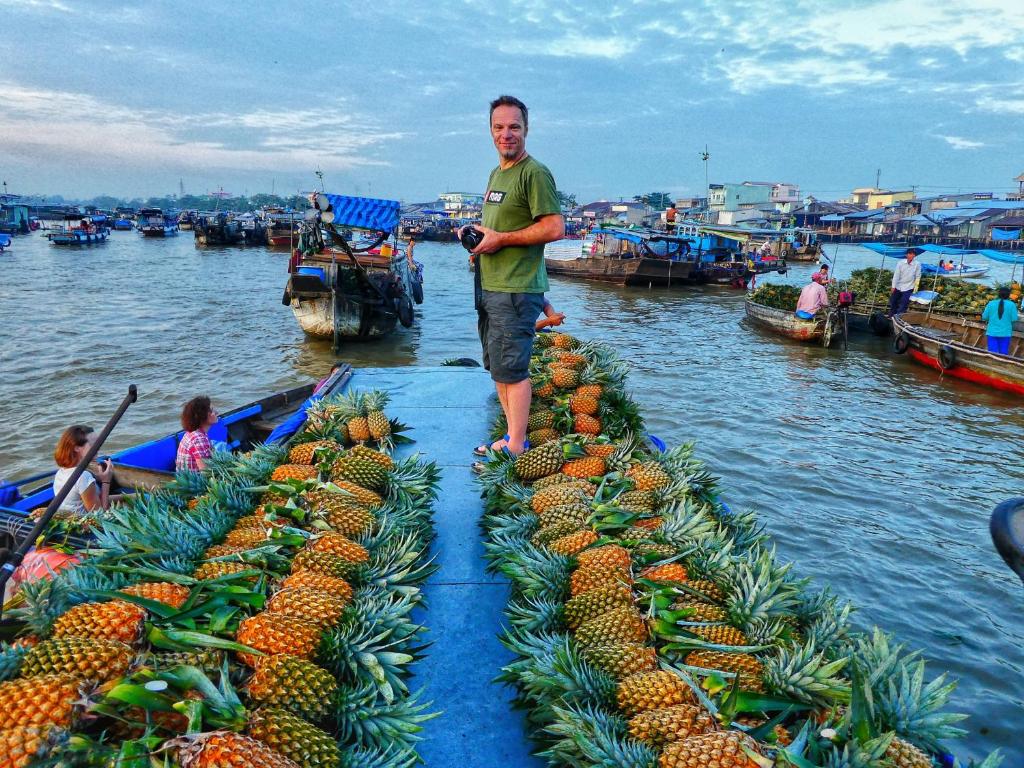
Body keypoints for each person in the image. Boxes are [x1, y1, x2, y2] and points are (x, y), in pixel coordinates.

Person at [465, 95, 564, 456]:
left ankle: (517, 445)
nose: (506, 134)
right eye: (499, 127)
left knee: (514, 370)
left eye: (514, 127)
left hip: (516, 288)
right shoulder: (498, 173)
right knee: (498, 369)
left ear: (526, 129)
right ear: (490, 130)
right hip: (490, 284)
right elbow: (497, 227)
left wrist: (501, 239)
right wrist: (477, 234)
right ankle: (510, 436)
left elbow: (554, 227)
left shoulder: (534, 173)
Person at [53, 425, 115, 514]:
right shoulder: (83, 477)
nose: (98, 447)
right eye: (93, 444)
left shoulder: (61, 471)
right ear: (76, 448)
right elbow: (100, 516)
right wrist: (106, 481)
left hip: (70, 519)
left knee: (132, 497)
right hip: (86, 524)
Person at [176, 396, 218, 471]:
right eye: (212, 411)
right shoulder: (199, 439)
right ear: (202, 416)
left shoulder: (192, 432)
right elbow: (206, 472)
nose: (216, 412)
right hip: (195, 480)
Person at [981, 286, 1019, 355]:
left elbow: (984, 317)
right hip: (1005, 333)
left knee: (992, 353)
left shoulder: (991, 303)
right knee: (1003, 353)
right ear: (1008, 295)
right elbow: (1014, 319)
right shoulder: (1012, 305)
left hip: (992, 332)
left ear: (998, 294)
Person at [887, 247, 922, 317]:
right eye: (910, 254)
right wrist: (893, 286)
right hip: (898, 285)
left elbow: (918, 276)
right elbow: (896, 275)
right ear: (906, 255)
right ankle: (891, 314)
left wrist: (916, 288)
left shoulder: (917, 264)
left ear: (914, 256)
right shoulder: (900, 263)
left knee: (904, 301)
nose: (911, 255)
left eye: (913, 254)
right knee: (893, 300)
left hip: (909, 286)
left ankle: (898, 316)